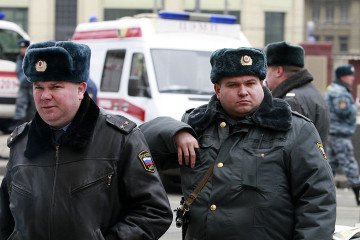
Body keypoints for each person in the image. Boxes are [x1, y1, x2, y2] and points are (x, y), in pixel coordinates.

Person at [140, 47, 336, 240]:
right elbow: (137, 150)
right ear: (217, 89)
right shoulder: (197, 125)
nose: (243, 92)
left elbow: (318, 199)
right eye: (233, 85)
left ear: (263, 84)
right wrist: (174, 131)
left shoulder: (295, 129)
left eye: (250, 83)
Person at [0, 41, 172, 239]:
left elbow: (154, 211)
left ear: (81, 89)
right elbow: (5, 217)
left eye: (56, 86)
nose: (45, 96)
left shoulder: (119, 139)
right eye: (38, 87)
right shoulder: (21, 142)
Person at [263, 41, 330, 145]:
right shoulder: (311, 91)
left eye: (267, 70)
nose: (265, 77)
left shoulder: (291, 101)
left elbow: (284, 145)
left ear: (278, 71)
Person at [325, 64, 360, 205]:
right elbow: (343, 111)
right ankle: (358, 193)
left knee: (330, 166)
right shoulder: (339, 92)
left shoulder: (334, 89)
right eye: (350, 75)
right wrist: (355, 106)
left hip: (333, 133)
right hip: (339, 134)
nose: (352, 78)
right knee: (349, 164)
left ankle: (324, 195)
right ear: (343, 76)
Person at [6, 39, 35, 133]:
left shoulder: (32, 57)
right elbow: (19, 72)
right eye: (21, 48)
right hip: (24, 86)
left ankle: (32, 125)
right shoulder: (20, 58)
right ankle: (19, 125)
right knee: (20, 105)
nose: (22, 50)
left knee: (34, 107)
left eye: (24, 48)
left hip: (31, 85)